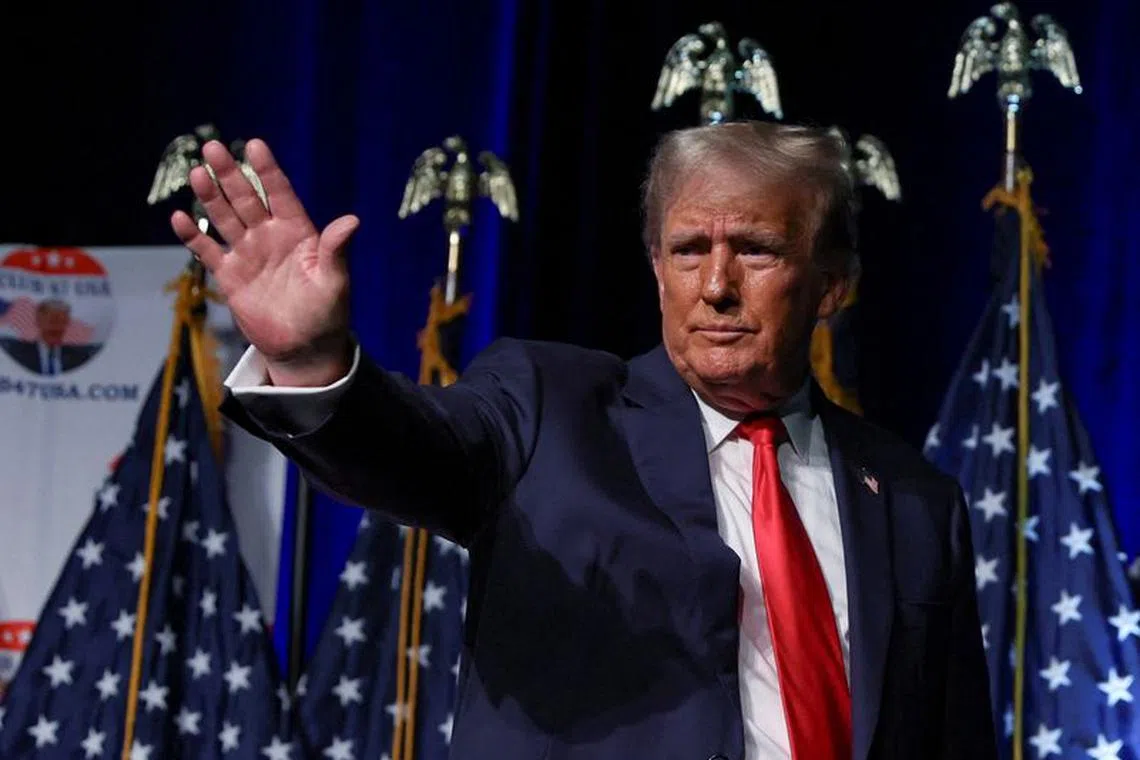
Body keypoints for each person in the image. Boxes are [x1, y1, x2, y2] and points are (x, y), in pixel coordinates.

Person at [173, 121, 997, 760]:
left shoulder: (918, 502)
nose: (715, 285)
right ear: (655, 267)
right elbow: (406, 451)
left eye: (755, 249)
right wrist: (313, 359)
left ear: (832, 284)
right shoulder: (549, 407)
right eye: (687, 251)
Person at [0, 299, 98, 375]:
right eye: (51, 321)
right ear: (38, 321)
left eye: (62, 321)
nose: (56, 327)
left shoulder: (80, 358)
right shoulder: (17, 354)